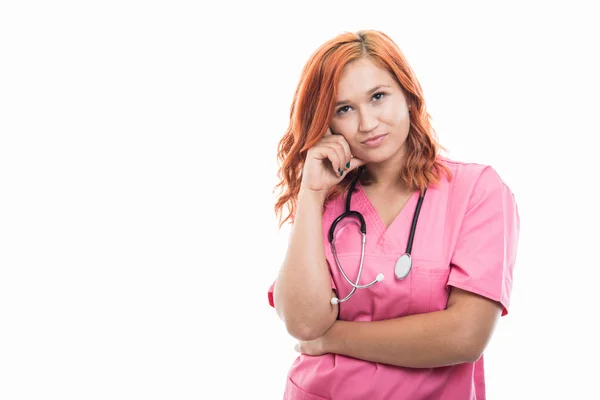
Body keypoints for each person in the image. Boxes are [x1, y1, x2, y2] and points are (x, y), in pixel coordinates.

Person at [267, 29, 520, 400]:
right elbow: (304, 322)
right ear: (328, 123)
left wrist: (333, 337)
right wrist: (310, 193)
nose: (367, 123)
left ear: (408, 95)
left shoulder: (476, 191)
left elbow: (465, 336)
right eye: (345, 109)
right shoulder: (328, 200)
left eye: (378, 97)